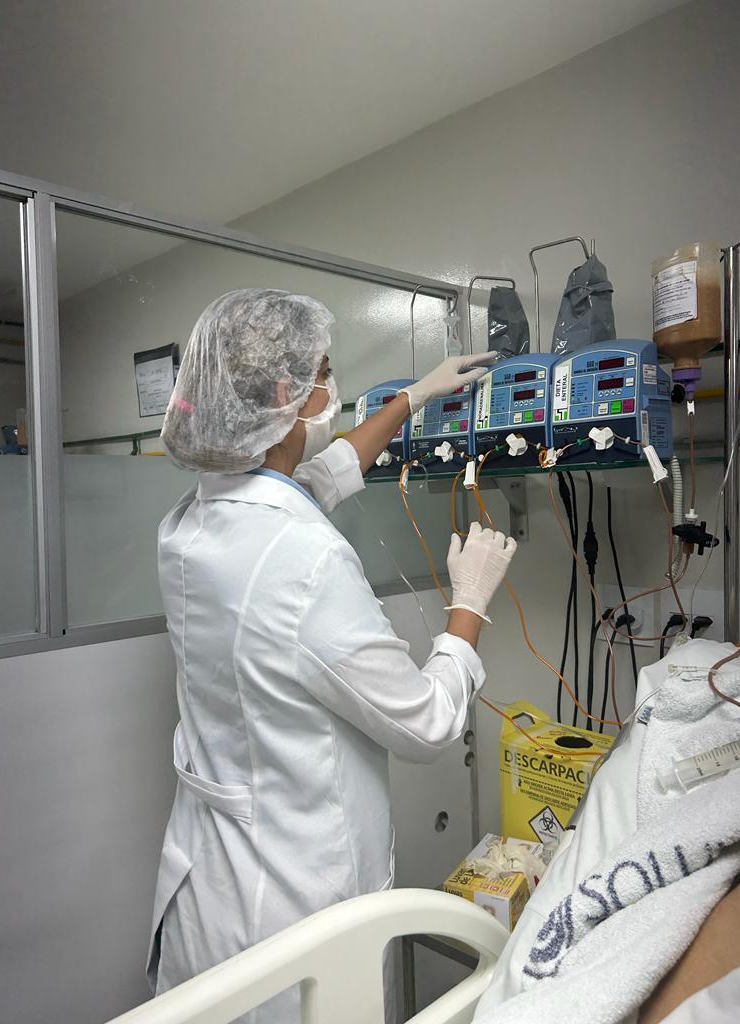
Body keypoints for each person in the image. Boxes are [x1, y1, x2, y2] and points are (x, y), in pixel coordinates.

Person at [147, 288, 517, 1021]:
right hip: (291, 908)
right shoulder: (304, 559)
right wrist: (469, 606)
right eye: (323, 372)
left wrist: (413, 397)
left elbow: (324, 472)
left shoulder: (191, 521)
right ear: (283, 395)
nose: (332, 387)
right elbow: (425, 724)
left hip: (209, 885)